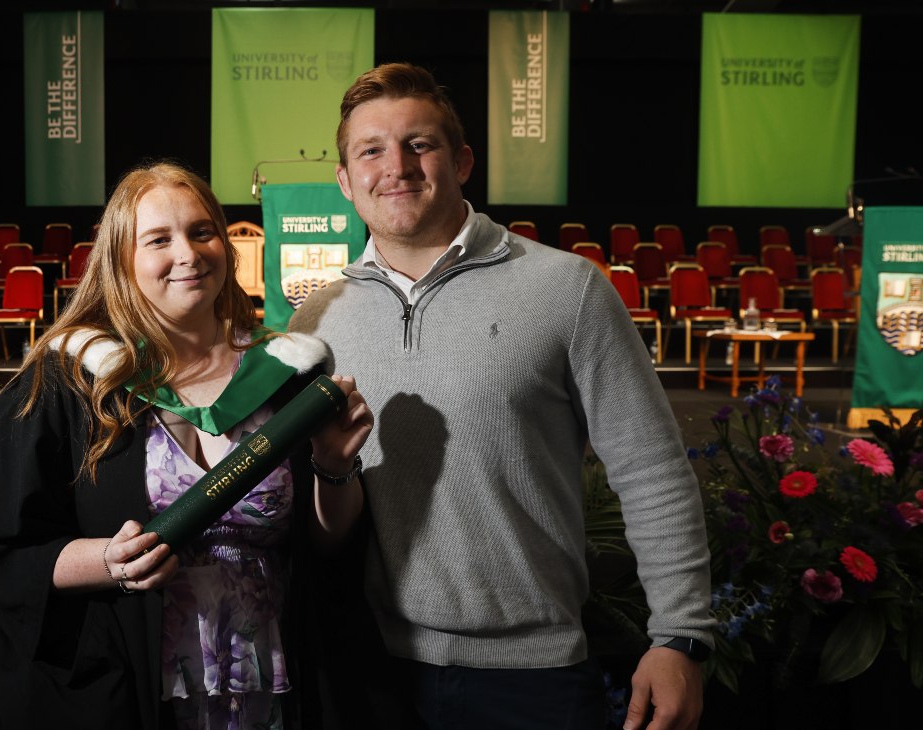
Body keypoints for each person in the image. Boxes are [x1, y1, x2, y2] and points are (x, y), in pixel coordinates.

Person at [288, 63, 714, 730]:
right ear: (345, 180)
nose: (395, 165)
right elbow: (317, 510)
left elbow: (652, 470)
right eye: (370, 150)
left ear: (461, 160)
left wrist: (680, 638)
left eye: (419, 143)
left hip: (534, 678)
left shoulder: (566, 289)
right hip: (372, 671)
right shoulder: (317, 320)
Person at [0, 161, 373, 729]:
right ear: (121, 261)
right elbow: (3, 550)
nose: (189, 253)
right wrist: (106, 561)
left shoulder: (288, 374)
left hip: (268, 674)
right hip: (129, 680)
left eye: (202, 231)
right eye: (159, 239)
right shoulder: (69, 384)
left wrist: (332, 466)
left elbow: (324, 548)